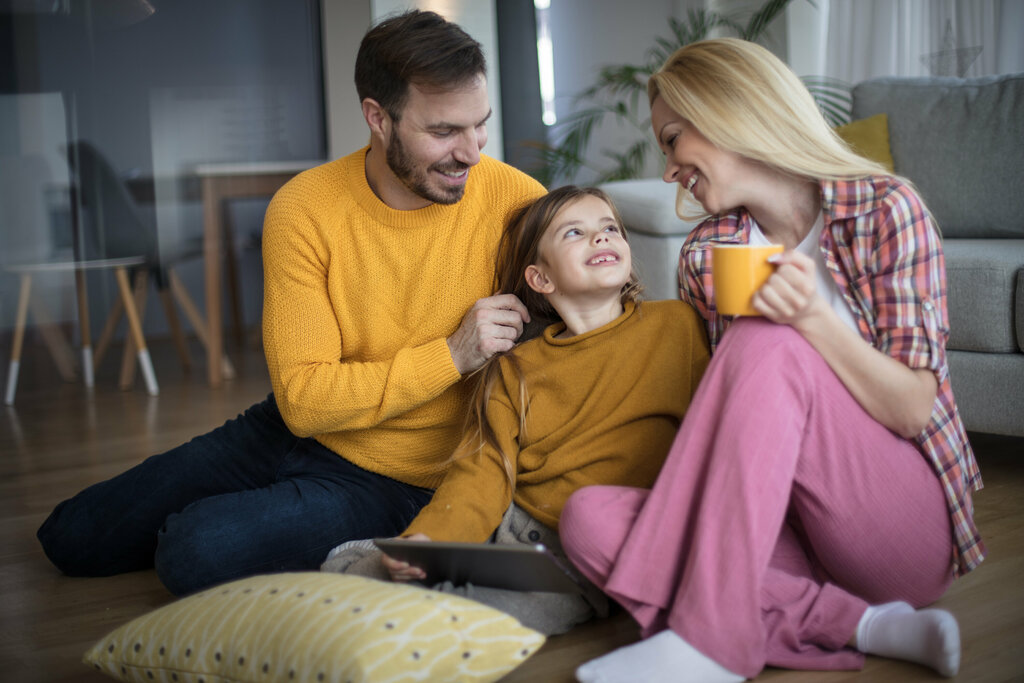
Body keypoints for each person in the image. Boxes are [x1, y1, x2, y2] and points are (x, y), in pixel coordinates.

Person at [36, 10, 547, 596]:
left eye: (479, 125)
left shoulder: (516, 204)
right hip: (294, 428)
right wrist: (451, 356)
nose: (472, 152)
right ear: (377, 118)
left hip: (402, 477)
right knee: (70, 537)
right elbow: (302, 402)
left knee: (193, 550)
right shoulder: (305, 207)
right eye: (444, 132)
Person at [559, 38, 984, 682]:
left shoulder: (885, 210)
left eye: (672, 140)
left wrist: (812, 318)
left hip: (894, 531)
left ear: (729, 112)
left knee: (767, 339)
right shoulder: (707, 254)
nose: (669, 168)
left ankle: (711, 643)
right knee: (588, 519)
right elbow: (731, 424)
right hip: (779, 534)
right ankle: (872, 627)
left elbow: (911, 409)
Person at [323, 185, 710, 635]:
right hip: (507, 532)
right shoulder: (516, 368)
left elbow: (712, 430)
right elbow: (483, 471)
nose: (601, 238)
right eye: (575, 233)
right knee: (387, 584)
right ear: (540, 279)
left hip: (581, 557)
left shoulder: (676, 327)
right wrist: (430, 541)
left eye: (609, 229)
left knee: (471, 622)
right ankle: (367, 562)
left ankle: (382, 579)